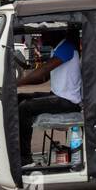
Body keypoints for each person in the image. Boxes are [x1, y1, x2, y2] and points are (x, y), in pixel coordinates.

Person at [16, 31, 82, 162]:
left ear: (55, 34)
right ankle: (16, 147)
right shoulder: (58, 49)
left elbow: (42, 72)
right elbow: (44, 77)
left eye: (44, 34)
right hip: (58, 96)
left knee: (24, 108)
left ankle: (25, 157)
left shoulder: (67, 47)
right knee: (19, 98)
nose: (41, 37)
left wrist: (16, 83)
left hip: (68, 101)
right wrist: (19, 85)